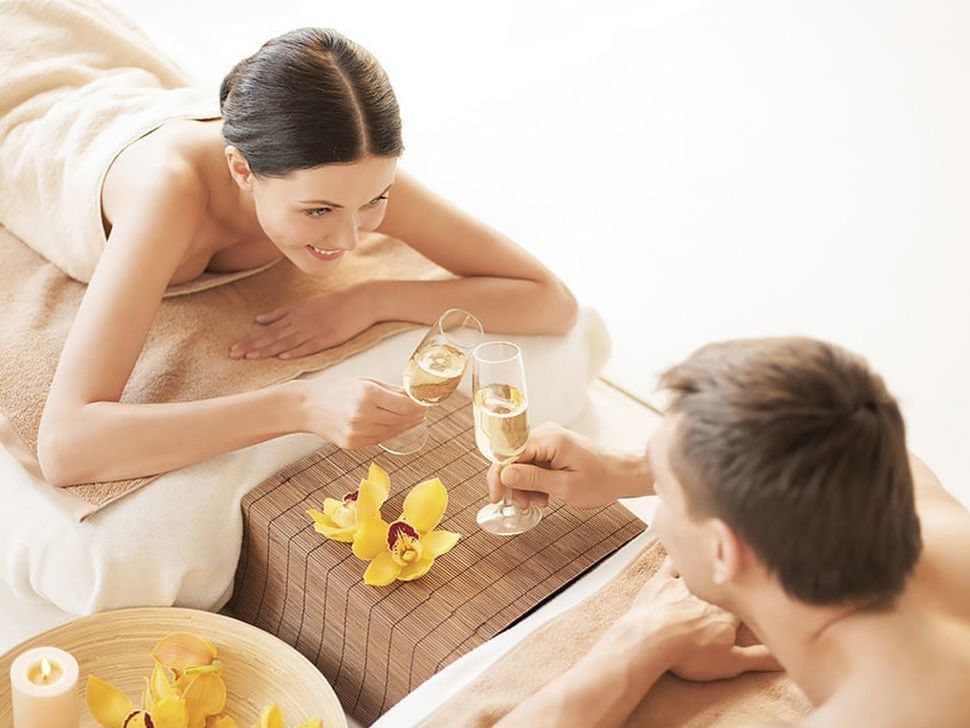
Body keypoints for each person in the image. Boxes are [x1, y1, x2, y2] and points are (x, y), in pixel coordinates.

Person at [7, 14, 576, 486]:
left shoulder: (348, 174)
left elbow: (550, 302)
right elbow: (67, 447)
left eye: (375, 201)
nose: (351, 239)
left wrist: (372, 299)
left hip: (111, 84)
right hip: (31, 96)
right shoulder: (169, 196)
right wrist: (299, 406)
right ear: (241, 169)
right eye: (318, 212)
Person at [489, 337, 970, 726]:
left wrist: (637, 641)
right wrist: (628, 468)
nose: (655, 498)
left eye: (663, 492)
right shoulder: (935, 519)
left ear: (723, 549)